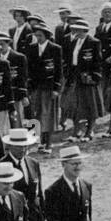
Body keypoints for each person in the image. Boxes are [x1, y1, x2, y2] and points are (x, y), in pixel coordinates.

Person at [24, 22, 63, 155]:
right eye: (36, 35)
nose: (38, 38)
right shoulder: (31, 48)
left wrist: (56, 88)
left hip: (48, 87)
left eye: (40, 35)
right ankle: (35, 142)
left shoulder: (55, 49)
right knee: (34, 114)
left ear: (46, 36)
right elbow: (28, 69)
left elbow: (59, 71)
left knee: (48, 115)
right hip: (35, 87)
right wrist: (28, 87)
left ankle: (48, 142)